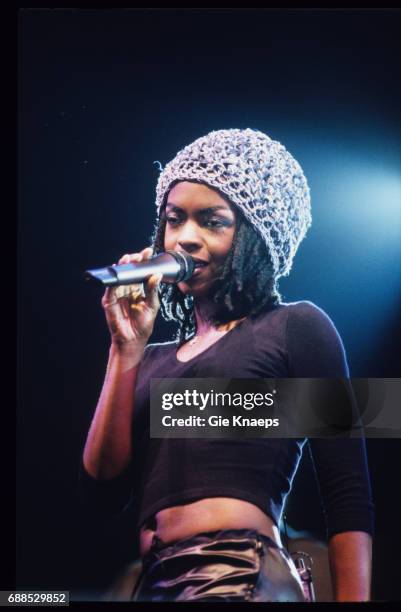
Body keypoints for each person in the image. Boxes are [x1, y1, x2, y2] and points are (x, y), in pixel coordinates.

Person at [79, 128, 374, 602]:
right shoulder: (150, 361)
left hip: (238, 577)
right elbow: (102, 493)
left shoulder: (295, 328)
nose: (186, 238)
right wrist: (125, 349)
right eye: (175, 220)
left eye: (212, 221)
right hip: (154, 584)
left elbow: (348, 496)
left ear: (256, 239)